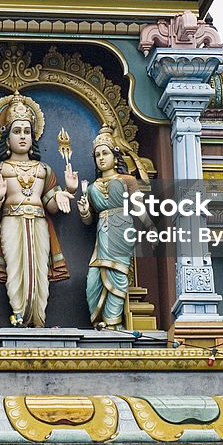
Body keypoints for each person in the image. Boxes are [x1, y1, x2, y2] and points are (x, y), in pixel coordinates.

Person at [0, 92, 77, 327]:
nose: (22, 136)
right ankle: (20, 315)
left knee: (39, 271)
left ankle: (38, 318)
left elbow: (51, 205)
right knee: (16, 271)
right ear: (6, 137)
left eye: (27, 131)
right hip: (11, 221)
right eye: (16, 131)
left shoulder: (44, 169)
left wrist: (67, 193)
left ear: (33, 136)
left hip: (38, 222)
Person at [77, 126, 147, 327]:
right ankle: (99, 320)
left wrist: (151, 226)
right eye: (97, 155)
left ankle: (112, 322)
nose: (101, 158)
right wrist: (84, 211)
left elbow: (139, 207)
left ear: (115, 156)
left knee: (117, 275)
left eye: (105, 153)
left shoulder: (127, 181)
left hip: (121, 228)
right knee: (93, 280)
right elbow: (88, 221)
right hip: (102, 232)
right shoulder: (92, 188)